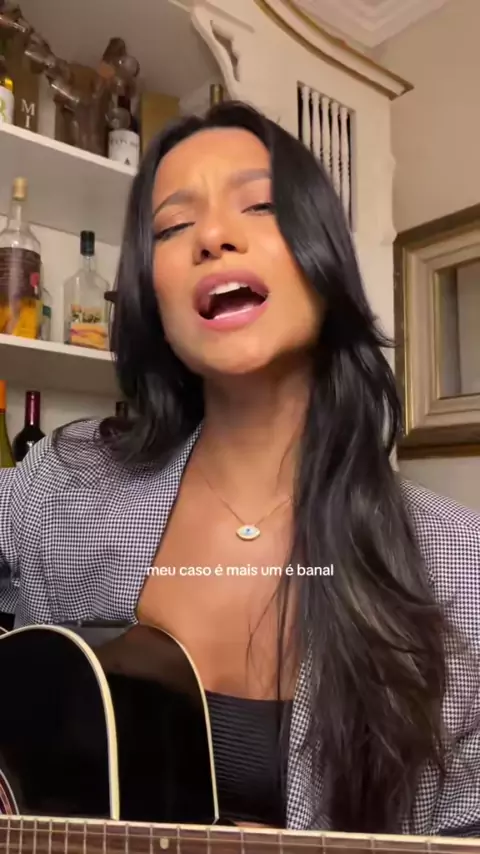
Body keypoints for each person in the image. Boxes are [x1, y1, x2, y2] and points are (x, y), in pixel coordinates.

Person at [1, 100, 480, 836]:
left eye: (259, 205)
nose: (213, 237)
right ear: (151, 293)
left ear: (323, 256)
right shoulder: (65, 482)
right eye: (172, 226)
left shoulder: (461, 566)